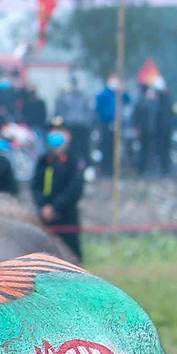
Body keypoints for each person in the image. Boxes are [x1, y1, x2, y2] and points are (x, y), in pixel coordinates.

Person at [32, 118, 84, 261]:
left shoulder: (73, 161)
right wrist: (43, 207)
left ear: (68, 136)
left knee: (71, 258)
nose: (55, 135)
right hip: (44, 218)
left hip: (66, 217)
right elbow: (35, 187)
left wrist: (55, 207)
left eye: (60, 131)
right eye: (52, 131)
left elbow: (74, 189)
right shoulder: (43, 161)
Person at [93, 74, 121, 177]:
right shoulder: (104, 94)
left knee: (115, 148)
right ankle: (105, 169)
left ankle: (113, 169)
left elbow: (127, 100)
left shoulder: (118, 94)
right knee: (105, 147)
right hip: (105, 124)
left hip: (116, 124)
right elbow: (98, 107)